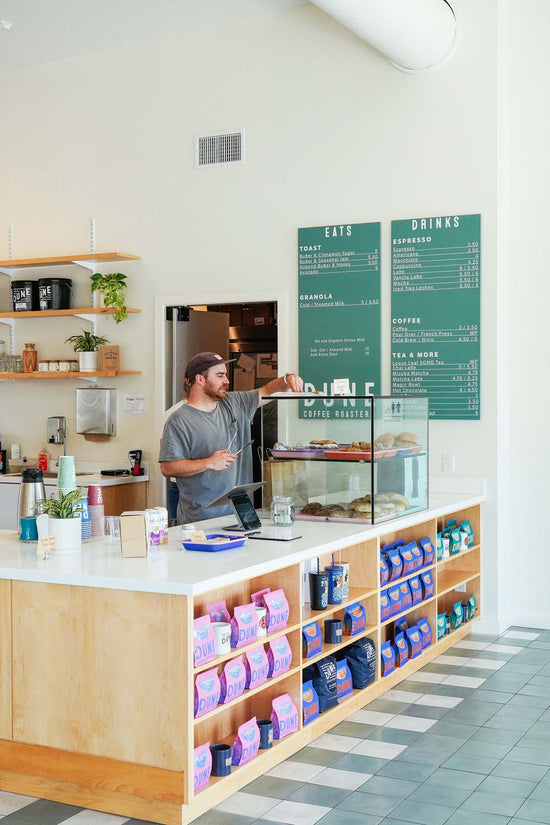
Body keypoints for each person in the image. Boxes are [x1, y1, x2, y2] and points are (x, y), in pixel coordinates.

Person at [159, 351, 303, 524]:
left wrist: (287, 380)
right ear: (200, 379)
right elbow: (168, 468)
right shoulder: (178, 421)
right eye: (220, 376)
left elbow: (267, 390)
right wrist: (208, 462)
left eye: (226, 375)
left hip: (241, 516)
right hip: (201, 522)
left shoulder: (235, 402)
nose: (227, 381)